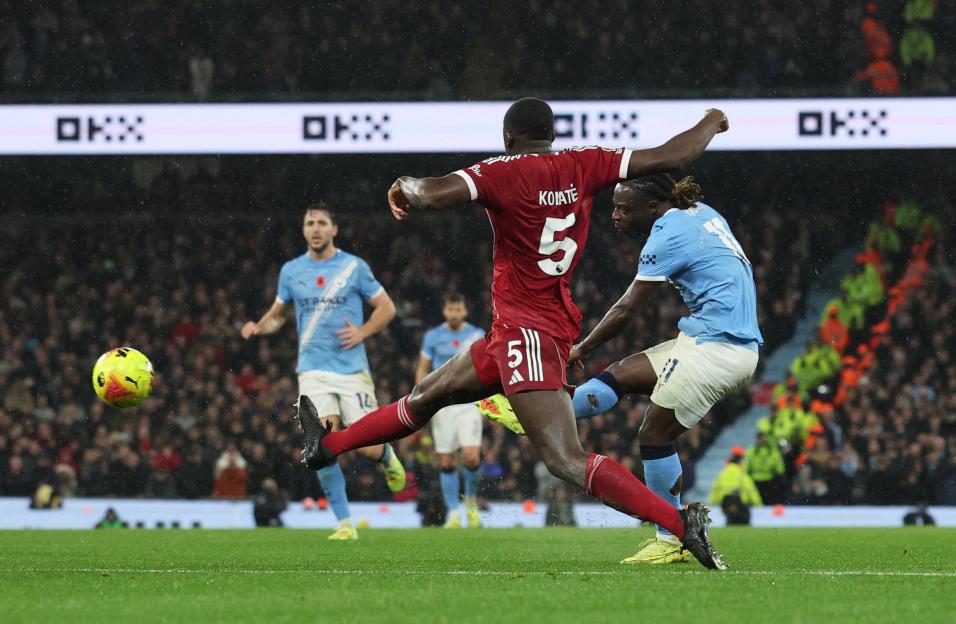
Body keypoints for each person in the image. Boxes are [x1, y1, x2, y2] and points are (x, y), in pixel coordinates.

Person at [296, 97, 730, 569]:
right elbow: (673, 156)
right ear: (552, 135)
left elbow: (430, 194)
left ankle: (678, 523)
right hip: (516, 330)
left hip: (530, 333)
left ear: (508, 138)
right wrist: (711, 121)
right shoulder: (584, 163)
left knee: (565, 459)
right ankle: (328, 445)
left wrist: (404, 185)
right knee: (425, 396)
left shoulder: (498, 171)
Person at [561, 173, 762, 563]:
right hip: (711, 337)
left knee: (653, 436)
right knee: (620, 375)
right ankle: (545, 415)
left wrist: (581, 347)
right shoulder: (698, 212)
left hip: (719, 348)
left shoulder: (666, 234)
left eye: (624, 208)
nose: (615, 215)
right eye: (614, 206)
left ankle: (670, 541)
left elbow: (627, 310)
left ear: (652, 208)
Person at [241, 203, 407, 540]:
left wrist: (362, 332)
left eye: (322, 223)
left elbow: (386, 308)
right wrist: (260, 327)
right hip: (312, 371)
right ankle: (345, 524)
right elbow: (278, 314)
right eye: (310, 223)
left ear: (334, 230)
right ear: (303, 231)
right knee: (321, 443)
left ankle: (386, 456)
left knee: (368, 447)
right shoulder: (291, 271)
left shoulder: (353, 267)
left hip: (352, 371)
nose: (315, 228)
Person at [416, 293, 486, 528]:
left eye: (458, 309)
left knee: (470, 456)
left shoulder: (476, 335)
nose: (454, 314)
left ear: (465, 311)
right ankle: (453, 513)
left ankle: (472, 502)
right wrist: (422, 397)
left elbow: (484, 367)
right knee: (446, 461)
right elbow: (423, 369)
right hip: (442, 404)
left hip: (469, 403)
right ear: (444, 311)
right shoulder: (433, 337)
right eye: (450, 309)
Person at [709, 446, 763, 525]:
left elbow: (715, 492)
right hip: (741, 506)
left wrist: (712, 505)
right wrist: (759, 505)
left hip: (726, 506)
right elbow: (752, 492)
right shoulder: (743, 476)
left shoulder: (721, 475)